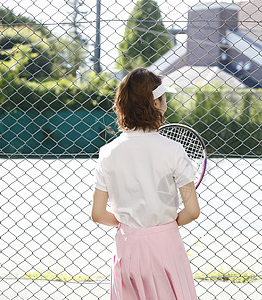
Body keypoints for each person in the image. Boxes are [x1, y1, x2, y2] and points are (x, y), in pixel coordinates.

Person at [91, 68, 200, 300]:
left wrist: (130, 224)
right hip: (166, 245)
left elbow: (98, 214)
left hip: (128, 248)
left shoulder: (108, 153)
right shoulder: (173, 150)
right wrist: (166, 224)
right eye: (164, 98)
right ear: (157, 104)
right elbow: (192, 211)